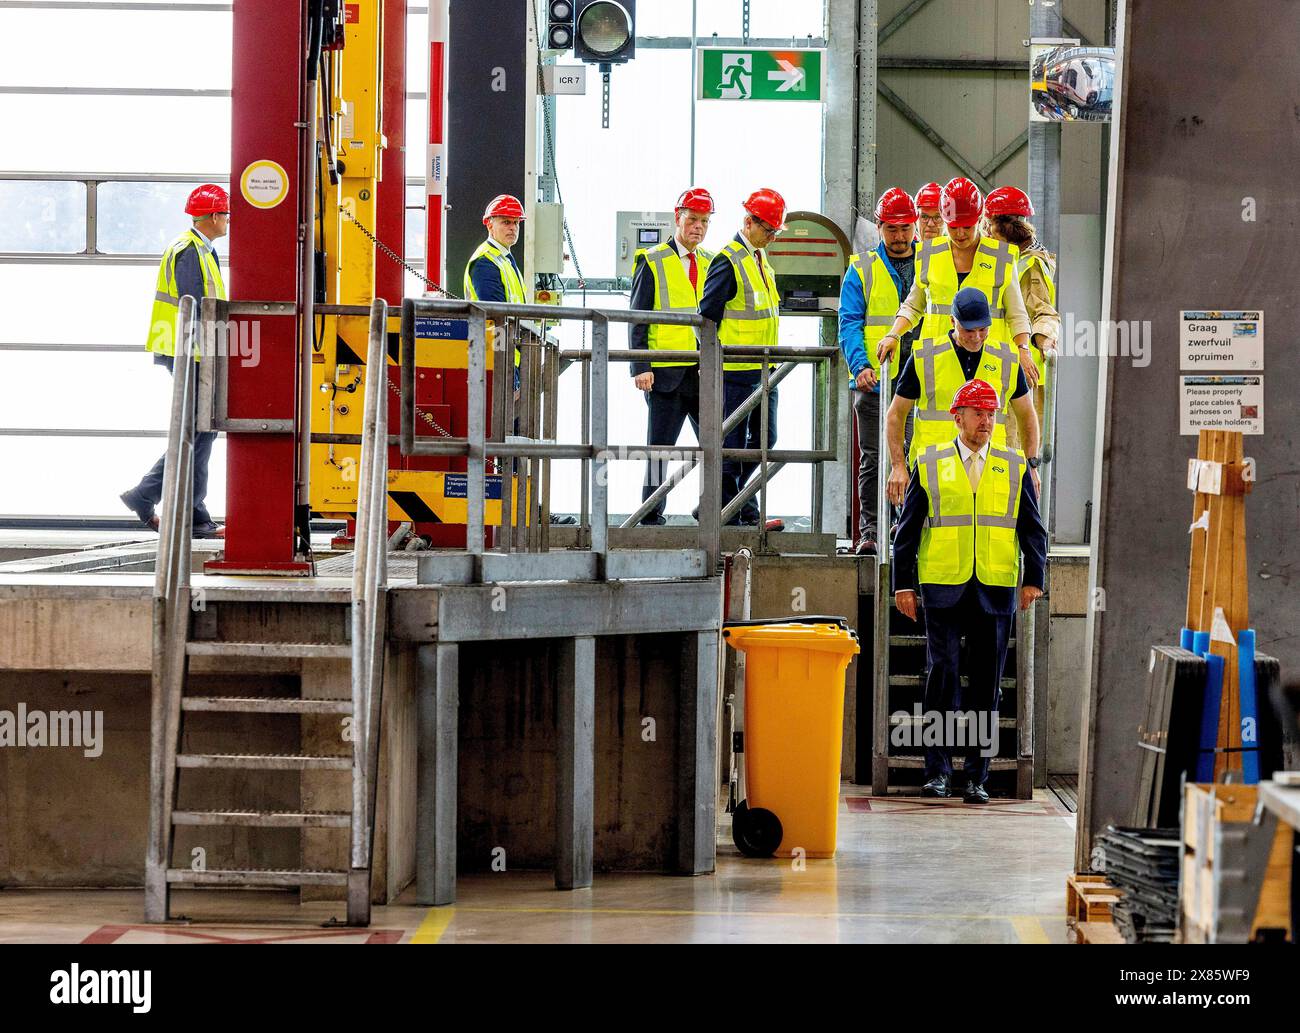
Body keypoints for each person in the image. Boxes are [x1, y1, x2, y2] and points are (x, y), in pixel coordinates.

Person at [891, 379, 1047, 803]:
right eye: (978, 413)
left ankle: (978, 777)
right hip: (942, 587)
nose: (987, 420)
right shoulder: (930, 460)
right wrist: (903, 584)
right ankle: (938, 772)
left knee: (986, 686)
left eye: (992, 413)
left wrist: (1034, 578)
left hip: (995, 589)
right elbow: (906, 533)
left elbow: (1032, 528)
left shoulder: (1014, 465)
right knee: (942, 680)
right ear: (957, 417)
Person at [120, 183, 228, 539]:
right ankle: (148, 495)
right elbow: (193, 305)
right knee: (197, 432)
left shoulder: (201, 249)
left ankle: (191, 512)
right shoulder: (189, 250)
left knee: (202, 432)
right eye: (225, 214)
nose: (228, 221)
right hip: (188, 352)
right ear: (213, 216)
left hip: (196, 351)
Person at [876, 177, 1039, 393]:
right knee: (935, 422)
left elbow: (1016, 314)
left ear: (980, 218)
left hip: (988, 361)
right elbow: (913, 306)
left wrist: (1023, 349)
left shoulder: (1003, 257)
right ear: (944, 220)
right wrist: (893, 334)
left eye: (967, 226)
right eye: (953, 227)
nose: (960, 234)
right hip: (938, 360)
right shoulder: (929, 254)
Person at [884, 288, 1041, 506]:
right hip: (934, 471)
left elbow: (1027, 415)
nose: (976, 338)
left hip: (990, 469)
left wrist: (1031, 465)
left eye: (983, 329)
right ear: (952, 322)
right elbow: (895, 415)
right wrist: (898, 466)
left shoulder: (1007, 360)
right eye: (969, 330)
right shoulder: (924, 357)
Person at [838, 186, 919, 555]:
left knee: (920, 456)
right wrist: (861, 365)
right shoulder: (862, 268)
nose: (900, 236)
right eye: (892, 229)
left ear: (915, 226)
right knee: (875, 458)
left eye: (906, 228)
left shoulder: (934, 267)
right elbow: (849, 322)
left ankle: (909, 530)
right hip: (875, 382)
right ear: (880, 227)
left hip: (922, 382)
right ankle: (872, 532)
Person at [698, 187, 786, 528]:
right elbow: (708, 316)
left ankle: (730, 502)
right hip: (736, 370)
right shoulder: (728, 259)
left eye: (776, 231)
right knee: (733, 446)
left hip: (765, 369)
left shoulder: (759, 257)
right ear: (748, 222)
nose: (772, 237)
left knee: (765, 441)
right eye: (768, 230)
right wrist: (712, 363)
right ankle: (733, 512)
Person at [629, 187, 715, 525]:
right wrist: (640, 366)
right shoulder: (651, 261)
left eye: (704, 222)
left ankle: (712, 508)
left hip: (701, 372)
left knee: (714, 446)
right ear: (677, 218)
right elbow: (637, 316)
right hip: (664, 373)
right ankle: (651, 514)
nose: (698, 227)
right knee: (659, 447)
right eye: (692, 219)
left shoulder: (710, 262)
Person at [982, 186, 1060, 438]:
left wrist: (1037, 347)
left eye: (987, 225)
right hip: (1000, 366)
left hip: (1022, 371)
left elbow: (1044, 312)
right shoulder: (1011, 259)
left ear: (999, 227)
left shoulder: (1029, 265)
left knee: (1015, 450)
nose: (984, 232)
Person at [463, 193, 526, 397]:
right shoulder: (485, 261)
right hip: (497, 354)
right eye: (506, 222)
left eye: (516, 223)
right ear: (489, 224)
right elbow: (495, 316)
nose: (513, 228)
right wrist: (506, 361)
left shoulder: (504, 259)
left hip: (508, 354)